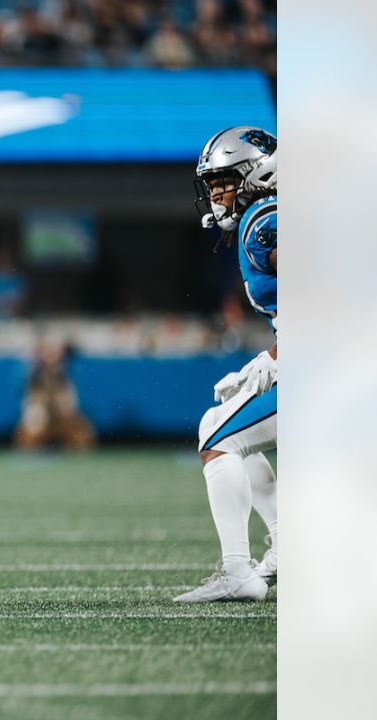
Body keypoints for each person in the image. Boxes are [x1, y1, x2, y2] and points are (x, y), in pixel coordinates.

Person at [174, 126, 278, 603]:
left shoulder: (265, 221)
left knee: (219, 442)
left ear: (256, 173)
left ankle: (238, 571)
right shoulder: (263, 216)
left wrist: (279, 358)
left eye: (223, 181)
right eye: (211, 184)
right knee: (216, 421)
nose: (215, 194)